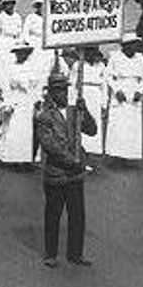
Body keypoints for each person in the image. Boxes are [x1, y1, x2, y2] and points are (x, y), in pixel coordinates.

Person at [35, 71, 96, 268]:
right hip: (57, 173)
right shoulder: (44, 116)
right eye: (59, 90)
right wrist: (72, 160)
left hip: (75, 174)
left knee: (77, 216)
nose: (63, 94)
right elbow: (49, 145)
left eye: (65, 89)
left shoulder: (74, 112)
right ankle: (50, 253)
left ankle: (75, 254)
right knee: (53, 215)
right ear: (51, 93)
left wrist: (84, 111)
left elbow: (92, 130)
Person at [105, 34, 143, 163]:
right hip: (120, 90)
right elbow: (108, 75)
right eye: (132, 45)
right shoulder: (115, 57)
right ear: (125, 46)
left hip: (134, 90)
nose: (135, 47)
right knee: (118, 124)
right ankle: (115, 154)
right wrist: (116, 90)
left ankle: (129, 154)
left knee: (131, 125)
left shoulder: (139, 58)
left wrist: (140, 91)